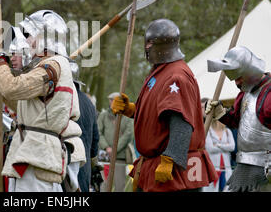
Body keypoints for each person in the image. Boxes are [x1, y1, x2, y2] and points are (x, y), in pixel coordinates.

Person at [112, 18, 217, 192]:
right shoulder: (159, 72)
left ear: (158, 46)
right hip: (154, 165)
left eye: (149, 44)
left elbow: (181, 122)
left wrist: (170, 159)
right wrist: (131, 110)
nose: (146, 48)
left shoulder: (176, 76)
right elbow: (157, 115)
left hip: (174, 172)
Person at [0, 10, 85, 192]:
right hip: (33, 151)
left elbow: (12, 87)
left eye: (29, 35)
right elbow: (26, 108)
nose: (26, 42)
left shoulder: (53, 65)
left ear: (44, 37)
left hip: (40, 154)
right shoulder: (48, 65)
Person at [206, 46, 271, 192]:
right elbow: (239, 122)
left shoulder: (269, 93)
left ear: (251, 71)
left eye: (239, 77)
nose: (236, 83)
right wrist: (221, 113)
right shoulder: (246, 93)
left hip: (266, 170)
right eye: (234, 79)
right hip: (245, 166)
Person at [69, 59, 100, 192]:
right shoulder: (89, 102)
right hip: (85, 166)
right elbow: (95, 140)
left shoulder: (63, 99)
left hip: (68, 165)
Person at [97, 92, 134, 192]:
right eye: (110, 99)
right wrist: (106, 147)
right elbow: (98, 132)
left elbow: (128, 134)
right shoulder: (103, 115)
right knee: (103, 186)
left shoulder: (127, 116)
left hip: (120, 157)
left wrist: (115, 149)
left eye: (113, 100)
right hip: (105, 157)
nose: (111, 102)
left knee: (119, 187)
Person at [202, 120, 235, 192]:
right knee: (211, 189)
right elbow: (210, 148)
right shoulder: (208, 131)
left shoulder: (227, 131)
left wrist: (217, 145)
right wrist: (225, 146)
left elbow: (232, 147)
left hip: (226, 168)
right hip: (213, 168)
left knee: (227, 189)